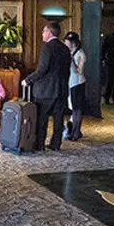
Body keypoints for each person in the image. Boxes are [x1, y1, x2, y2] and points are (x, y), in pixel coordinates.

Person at [24, 20, 72, 151]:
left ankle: (39, 145)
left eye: (44, 31)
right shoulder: (65, 48)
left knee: (42, 119)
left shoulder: (47, 48)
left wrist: (27, 80)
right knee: (58, 120)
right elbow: (67, 70)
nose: (42, 33)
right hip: (61, 89)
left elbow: (42, 69)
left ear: (49, 33)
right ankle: (55, 145)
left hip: (46, 90)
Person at [64, 31, 87, 141]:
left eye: (67, 42)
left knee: (77, 108)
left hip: (77, 83)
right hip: (70, 83)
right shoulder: (69, 52)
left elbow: (78, 70)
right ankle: (73, 130)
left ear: (73, 43)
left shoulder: (80, 54)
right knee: (72, 107)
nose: (66, 43)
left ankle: (76, 132)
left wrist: (72, 59)